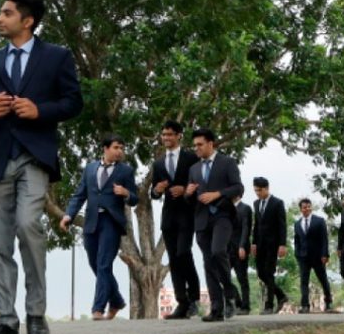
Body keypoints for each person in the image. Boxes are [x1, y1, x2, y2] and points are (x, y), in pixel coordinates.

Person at [0, 0, 83, 334]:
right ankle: (7, 324)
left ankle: (36, 313)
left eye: (6, 13)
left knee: (27, 225)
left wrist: (40, 110)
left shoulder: (57, 56)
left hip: (35, 157)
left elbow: (73, 102)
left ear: (28, 20)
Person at [60, 135, 139, 320]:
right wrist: (68, 215)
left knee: (104, 264)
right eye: (116, 147)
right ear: (105, 148)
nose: (120, 151)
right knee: (95, 264)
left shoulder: (126, 171)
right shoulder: (90, 168)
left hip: (111, 222)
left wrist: (126, 193)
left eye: (122, 148)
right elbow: (80, 195)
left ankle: (98, 308)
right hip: (92, 221)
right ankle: (117, 300)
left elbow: (135, 199)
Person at [186, 128, 243, 322]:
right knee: (208, 263)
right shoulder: (194, 169)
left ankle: (230, 293)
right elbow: (189, 201)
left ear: (211, 144)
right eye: (195, 145)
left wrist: (217, 194)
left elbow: (238, 188)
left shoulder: (227, 163)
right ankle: (217, 309)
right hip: (202, 220)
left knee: (218, 252)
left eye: (200, 144)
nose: (197, 148)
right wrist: (188, 193)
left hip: (223, 216)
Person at [150, 120, 200, 319]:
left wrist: (185, 189)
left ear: (179, 135)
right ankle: (182, 302)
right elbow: (153, 194)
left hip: (187, 214)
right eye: (164, 134)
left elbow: (200, 183)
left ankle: (194, 297)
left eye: (170, 134)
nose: (166, 138)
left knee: (183, 253)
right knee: (174, 259)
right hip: (168, 217)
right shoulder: (158, 163)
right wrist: (157, 190)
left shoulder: (191, 158)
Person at [250, 177, 287, 314]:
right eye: (255, 190)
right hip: (260, 244)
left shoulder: (277, 203)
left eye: (259, 190)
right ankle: (281, 295)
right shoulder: (256, 203)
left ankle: (269, 306)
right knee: (261, 273)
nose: (257, 193)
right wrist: (254, 243)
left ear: (266, 188)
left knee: (269, 273)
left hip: (273, 244)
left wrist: (282, 244)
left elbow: (282, 225)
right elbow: (256, 225)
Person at [294, 199, 332, 313]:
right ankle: (305, 305)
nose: (307, 209)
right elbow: (297, 240)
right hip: (303, 257)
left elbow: (324, 239)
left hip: (318, 257)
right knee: (304, 282)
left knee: (323, 280)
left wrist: (325, 254)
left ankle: (328, 302)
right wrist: (297, 254)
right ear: (301, 209)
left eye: (309, 206)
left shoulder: (319, 221)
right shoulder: (297, 224)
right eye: (304, 207)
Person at [228, 193, 252, 314]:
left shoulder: (245, 208)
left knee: (242, 278)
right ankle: (237, 301)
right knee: (221, 275)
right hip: (227, 250)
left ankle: (245, 307)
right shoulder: (226, 208)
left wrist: (242, 246)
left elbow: (246, 228)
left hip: (240, 249)